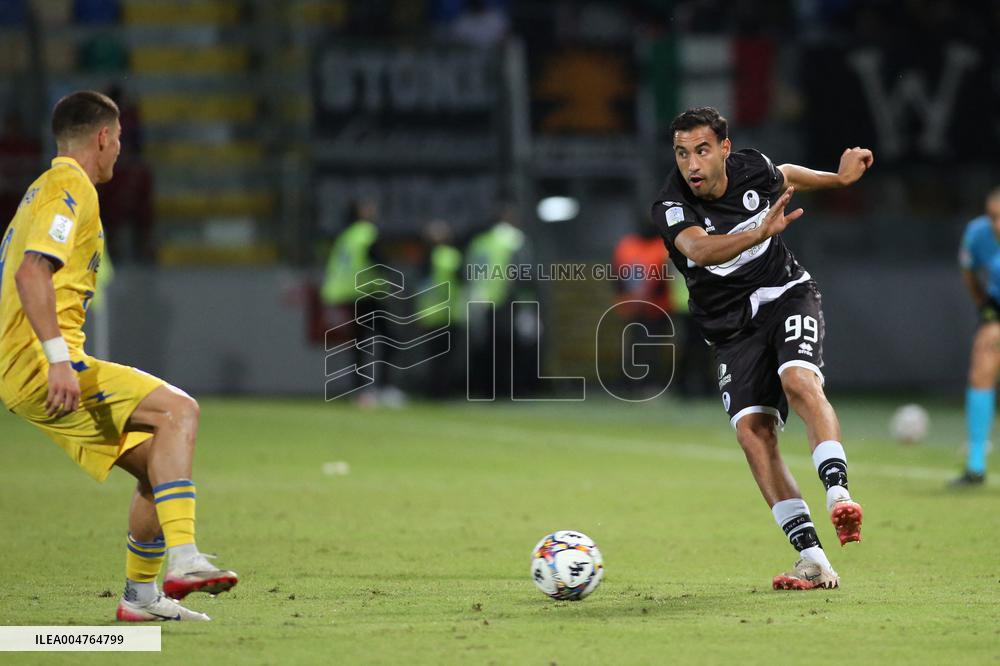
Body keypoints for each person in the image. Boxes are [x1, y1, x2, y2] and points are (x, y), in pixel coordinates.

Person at [0, 91, 237, 622]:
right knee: (181, 411)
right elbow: (32, 271)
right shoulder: (69, 186)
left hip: (20, 368)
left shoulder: (42, 188)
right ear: (104, 137)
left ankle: (141, 599)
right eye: (121, 140)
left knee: (161, 457)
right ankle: (184, 560)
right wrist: (58, 359)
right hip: (42, 363)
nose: (119, 152)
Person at [650, 107, 872, 590]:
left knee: (798, 380)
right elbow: (701, 250)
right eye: (683, 153)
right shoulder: (671, 205)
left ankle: (838, 493)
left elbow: (787, 175)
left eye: (702, 150)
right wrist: (760, 232)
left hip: (786, 293)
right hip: (731, 331)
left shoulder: (752, 167)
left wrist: (836, 179)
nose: (692, 164)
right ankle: (813, 560)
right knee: (754, 433)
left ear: (724, 149)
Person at [954, 187, 1000, 486]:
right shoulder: (978, 234)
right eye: (993, 216)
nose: (997, 224)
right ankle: (976, 466)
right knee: (982, 365)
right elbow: (969, 271)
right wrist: (984, 306)